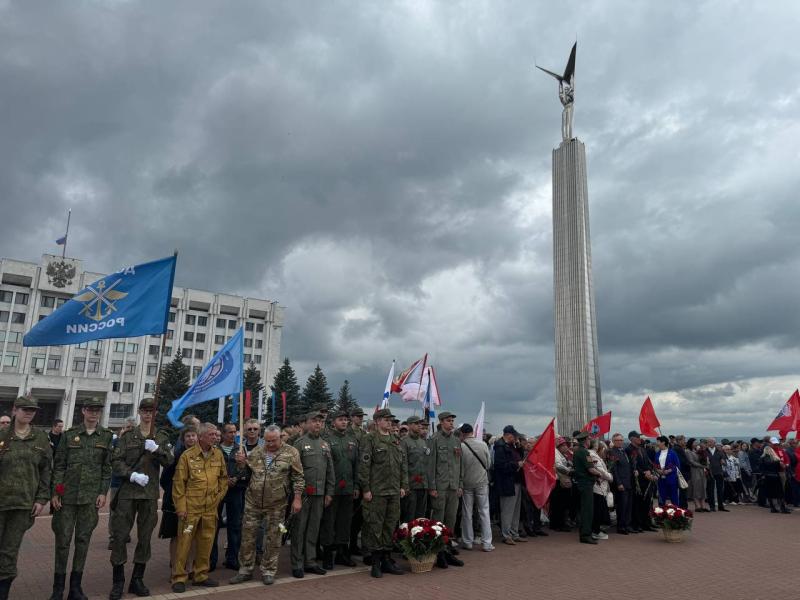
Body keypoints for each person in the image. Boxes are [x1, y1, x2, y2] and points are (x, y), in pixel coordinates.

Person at [108, 397, 174, 599]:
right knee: (120, 536)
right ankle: (118, 581)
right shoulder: (128, 436)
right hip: (128, 493)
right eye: (144, 410)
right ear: (139, 412)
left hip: (149, 495)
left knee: (145, 538)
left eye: (151, 411)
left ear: (155, 413)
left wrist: (157, 449)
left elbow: (170, 461)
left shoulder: (160, 436)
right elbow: (115, 461)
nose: (147, 414)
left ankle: (137, 579)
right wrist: (131, 475)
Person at [49, 397, 113, 600]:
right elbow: (59, 466)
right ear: (83, 411)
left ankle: (75, 588)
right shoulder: (70, 436)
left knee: (83, 541)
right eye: (90, 410)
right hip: (66, 498)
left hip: (90, 499)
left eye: (97, 410)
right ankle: (57, 589)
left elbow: (107, 468)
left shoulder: (106, 436)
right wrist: (56, 492)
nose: (94, 413)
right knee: (63, 542)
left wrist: (103, 492)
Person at [229, 425, 304, 586]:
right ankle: (245, 570)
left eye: (273, 440)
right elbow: (247, 474)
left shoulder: (291, 452)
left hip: (277, 504)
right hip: (253, 502)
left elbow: (298, 478)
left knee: (273, 538)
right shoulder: (257, 452)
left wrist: (297, 499)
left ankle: (268, 570)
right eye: (267, 440)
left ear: (280, 438)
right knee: (247, 537)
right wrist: (241, 464)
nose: (269, 444)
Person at [0, 396, 51, 600]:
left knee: (9, 553)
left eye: (32, 410)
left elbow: (46, 470)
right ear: (15, 410)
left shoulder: (40, 438)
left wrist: (41, 499)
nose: (28, 413)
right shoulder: (3, 435)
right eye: (24, 409)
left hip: (23, 506)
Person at [170, 423, 228, 592]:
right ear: (201, 437)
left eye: (216, 434)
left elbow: (223, 478)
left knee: (206, 543)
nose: (215, 437)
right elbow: (179, 484)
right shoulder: (187, 456)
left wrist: (217, 497)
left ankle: (200, 575)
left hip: (210, 509)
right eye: (211, 434)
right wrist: (181, 507)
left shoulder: (217, 454)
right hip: (190, 509)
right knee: (184, 544)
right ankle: (179, 577)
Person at [357, 408, 407, 578]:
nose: (389, 422)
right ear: (377, 421)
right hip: (377, 491)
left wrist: (403, 485)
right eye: (385, 419)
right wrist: (366, 489)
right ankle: (376, 563)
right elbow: (364, 466)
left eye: (390, 420)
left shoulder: (395, 440)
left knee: (389, 525)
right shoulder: (369, 439)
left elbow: (402, 465)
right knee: (375, 527)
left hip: (393, 490)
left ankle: (386, 560)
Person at [291, 411, 334, 578]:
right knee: (299, 529)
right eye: (314, 421)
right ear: (307, 423)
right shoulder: (300, 443)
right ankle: (297, 564)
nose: (318, 424)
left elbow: (330, 470)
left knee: (313, 529)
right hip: (303, 495)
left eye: (320, 422)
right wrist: (296, 493)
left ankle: (310, 562)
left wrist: (329, 492)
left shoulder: (325, 444)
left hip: (320, 493)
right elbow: (293, 471)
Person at [320, 410, 359, 570]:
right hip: (332, 489)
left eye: (346, 420)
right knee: (329, 522)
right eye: (340, 420)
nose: (344, 422)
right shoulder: (326, 440)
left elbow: (356, 465)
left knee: (345, 522)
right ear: (333, 422)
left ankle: (343, 554)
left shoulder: (352, 440)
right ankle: (328, 554)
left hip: (348, 488)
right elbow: (324, 467)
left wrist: (356, 485)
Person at [158, 427, 198, 573]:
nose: (191, 439)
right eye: (188, 436)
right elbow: (164, 479)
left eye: (194, 436)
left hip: (194, 502)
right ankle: (175, 568)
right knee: (175, 535)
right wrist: (175, 493)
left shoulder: (201, 455)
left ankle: (189, 567)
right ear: (183, 439)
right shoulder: (175, 456)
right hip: (174, 502)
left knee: (192, 535)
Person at [428, 411, 465, 568]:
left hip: (453, 487)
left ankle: (448, 550)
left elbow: (460, 465)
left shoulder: (456, 441)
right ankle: (439, 553)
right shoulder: (434, 440)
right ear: (441, 422)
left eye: (452, 421)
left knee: (451, 520)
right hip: (440, 487)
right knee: (438, 521)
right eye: (448, 421)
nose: (451, 423)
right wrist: (432, 487)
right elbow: (430, 466)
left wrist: (460, 484)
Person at [210, 423, 246, 571]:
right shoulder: (215, 449)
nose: (233, 435)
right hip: (218, 491)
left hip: (235, 490)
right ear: (223, 434)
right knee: (214, 526)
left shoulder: (240, 449)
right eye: (230, 432)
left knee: (235, 525)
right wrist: (224, 481)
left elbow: (246, 471)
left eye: (235, 432)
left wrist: (239, 470)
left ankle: (232, 558)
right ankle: (211, 560)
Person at [459, 423, 493, 552]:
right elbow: (489, 464)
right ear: (472, 432)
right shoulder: (483, 444)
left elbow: (460, 466)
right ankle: (487, 543)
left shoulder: (461, 446)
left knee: (467, 513)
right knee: (484, 512)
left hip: (467, 483)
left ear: (462, 433)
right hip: (482, 482)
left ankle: (467, 541)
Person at [493, 425, 526, 545]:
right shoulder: (500, 447)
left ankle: (514, 532)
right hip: (507, 482)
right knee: (507, 510)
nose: (516, 438)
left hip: (515, 481)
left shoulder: (512, 447)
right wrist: (516, 465)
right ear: (509, 435)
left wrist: (519, 447)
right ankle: (506, 534)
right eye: (515, 436)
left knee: (516, 510)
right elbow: (500, 466)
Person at [108, 418, 136, 550]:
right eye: (127, 427)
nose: (128, 430)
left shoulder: (136, 443)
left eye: (131, 427)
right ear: (122, 428)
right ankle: (113, 537)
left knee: (128, 511)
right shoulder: (115, 442)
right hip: (116, 482)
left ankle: (125, 533)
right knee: (114, 510)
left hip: (131, 482)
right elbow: (110, 459)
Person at [573, 432, 601, 544]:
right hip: (586, 484)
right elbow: (591, 469)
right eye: (589, 439)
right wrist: (600, 474)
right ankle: (585, 535)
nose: (590, 441)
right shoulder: (584, 452)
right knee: (587, 510)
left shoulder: (577, 452)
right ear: (586, 441)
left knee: (585, 509)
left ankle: (585, 533)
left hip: (581, 483)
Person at [399, 416, 429, 523]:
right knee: (409, 515)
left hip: (423, 484)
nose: (419, 426)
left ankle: (418, 538)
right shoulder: (404, 441)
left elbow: (426, 463)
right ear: (410, 425)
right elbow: (404, 464)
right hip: (411, 485)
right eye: (416, 423)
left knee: (421, 516)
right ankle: (406, 538)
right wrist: (405, 484)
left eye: (420, 423)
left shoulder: (423, 442)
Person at [626, 431, 657, 532]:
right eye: (637, 437)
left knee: (648, 502)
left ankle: (647, 523)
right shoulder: (629, 449)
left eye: (640, 436)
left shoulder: (642, 449)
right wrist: (644, 473)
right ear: (631, 438)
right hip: (638, 481)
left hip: (647, 480)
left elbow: (648, 462)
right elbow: (633, 465)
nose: (640, 438)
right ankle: (637, 524)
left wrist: (651, 472)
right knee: (638, 503)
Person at [608, 433, 633, 534]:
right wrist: (619, 483)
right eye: (618, 440)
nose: (620, 442)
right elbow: (614, 469)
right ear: (613, 441)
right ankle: (621, 527)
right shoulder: (612, 452)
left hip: (628, 482)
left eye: (621, 440)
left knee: (628, 506)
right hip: (621, 483)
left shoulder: (623, 451)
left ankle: (626, 525)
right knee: (622, 506)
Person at [550, 437, 574, 532]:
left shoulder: (562, 454)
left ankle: (559, 523)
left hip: (561, 480)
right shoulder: (556, 453)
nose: (566, 447)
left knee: (562, 503)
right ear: (559, 446)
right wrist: (570, 471)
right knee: (558, 503)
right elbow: (558, 465)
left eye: (566, 445)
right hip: (558, 480)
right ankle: (557, 524)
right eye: (563, 445)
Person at [761, 445, 791, 514]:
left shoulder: (762, 459)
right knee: (779, 493)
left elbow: (761, 469)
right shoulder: (776, 459)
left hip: (767, 477)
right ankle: (782, 508)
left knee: (770, 493)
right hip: (775, 476)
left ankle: (772, 508)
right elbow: (780, 468)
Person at [654, 436, 680, 506]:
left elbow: (677, 465)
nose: (657, 443)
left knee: (674, 497)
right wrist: (658, 470)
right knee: (662, 498)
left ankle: (676, 513)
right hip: (661, 480)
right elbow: (655, 465)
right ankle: (661, 514)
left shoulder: (672, 453)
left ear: (663, 442)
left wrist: (669, 470)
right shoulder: (657, 453)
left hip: (671, 479)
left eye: (658, 442)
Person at [705, 437, 728, 512]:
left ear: (715, 443)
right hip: (709, 473)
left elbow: (724, 461)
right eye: (709, 442)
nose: (710, 443)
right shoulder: (704, 451)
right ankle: (712, 506)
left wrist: (723, 462)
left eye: (712, 442)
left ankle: (721, 506)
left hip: (719, 472)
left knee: (720, 489)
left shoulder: (720, 451)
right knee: (710, 490)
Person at [685, 440, 709, 512]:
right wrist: (702, 466)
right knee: (696, 487)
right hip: (694, 471)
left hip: (701, 471)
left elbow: (702, 459)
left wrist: (705, 461)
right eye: (694, 443)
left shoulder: (698, 451)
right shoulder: (688, 452)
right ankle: (697, 506)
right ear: (691, 443)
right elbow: (691, 462)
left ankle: (703, 505)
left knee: (703, 487)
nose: (696, 444)